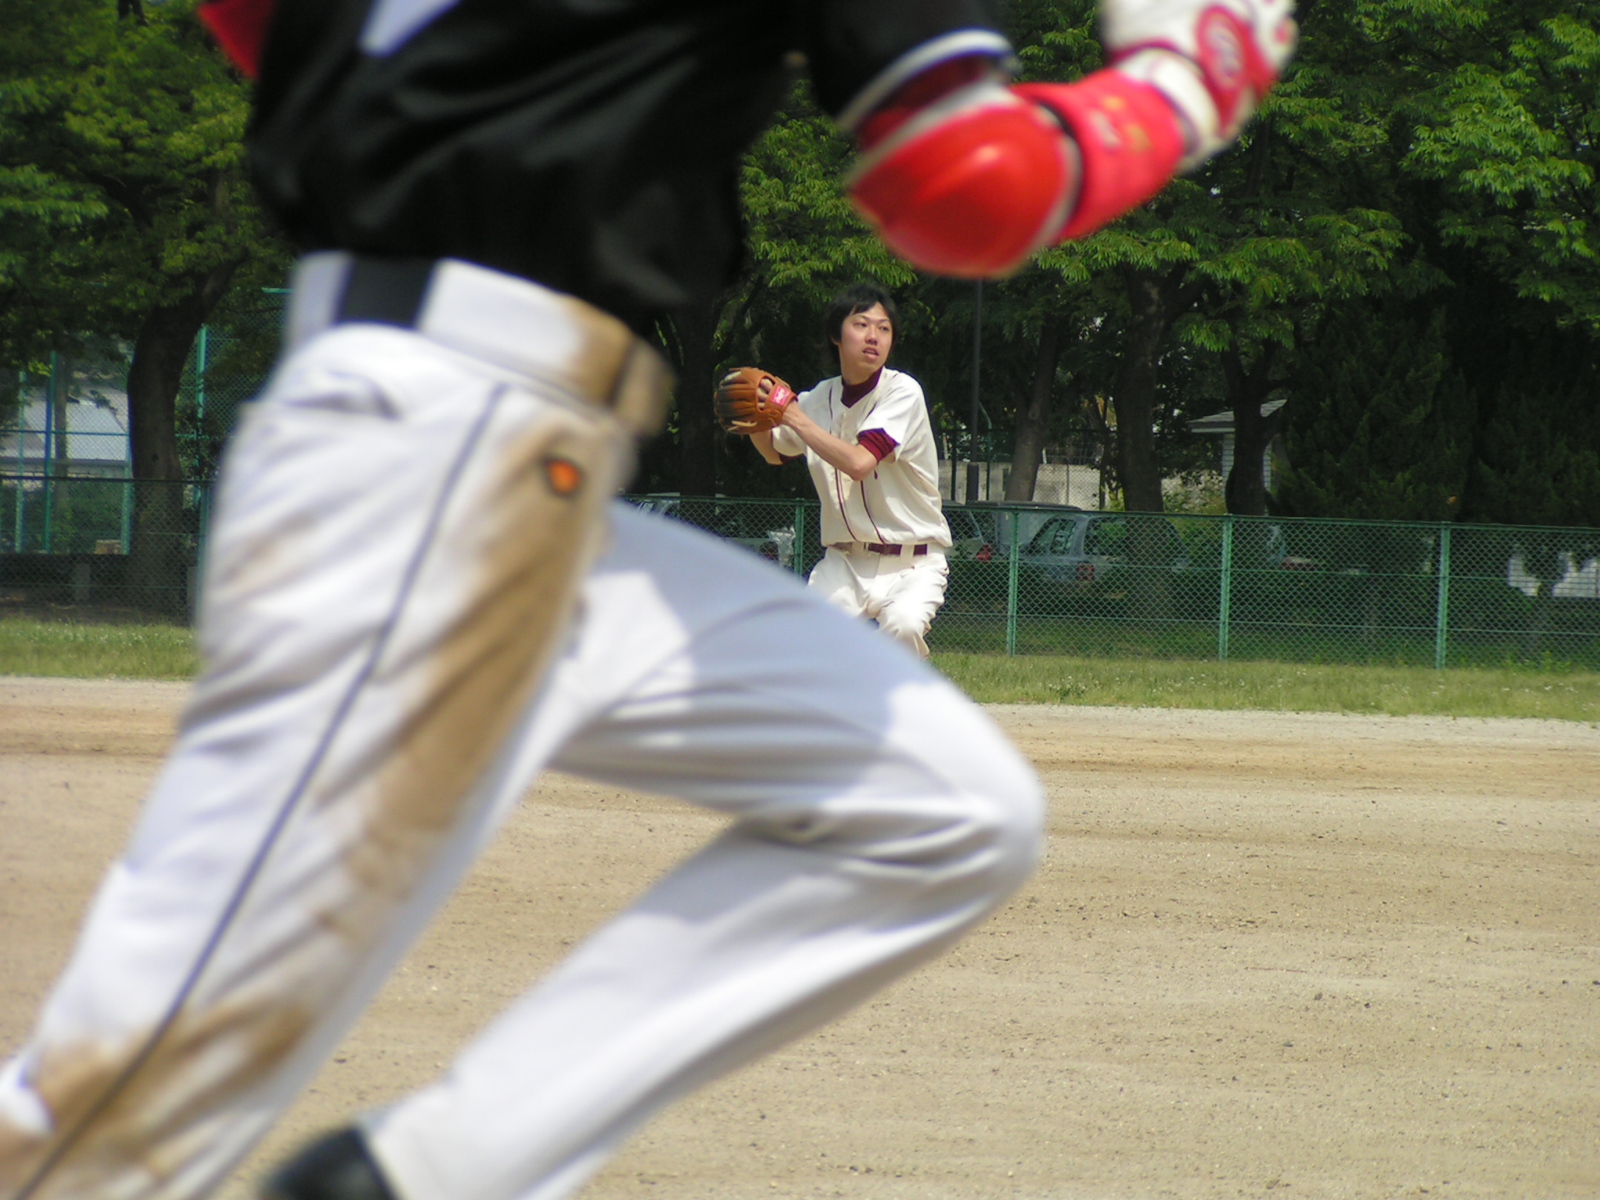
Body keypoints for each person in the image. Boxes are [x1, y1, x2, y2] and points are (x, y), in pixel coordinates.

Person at [0, 1, 1293, 1200]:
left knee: (943, 810)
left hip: (512, 473)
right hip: (439, 459)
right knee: (116, 1117)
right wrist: (1185, 82)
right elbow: (968, 186)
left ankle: (424, 1177)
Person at [749, 286, 951, 658]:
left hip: (913, 562)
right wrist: (753, 419)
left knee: (903, 626)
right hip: (844, 562)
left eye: (884, 328)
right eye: (861, 324)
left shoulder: (902, 392)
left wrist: (794, 417)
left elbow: (859, 463)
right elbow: (774, 452)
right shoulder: (816, 400)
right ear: (835, 335)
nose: (874, 336)